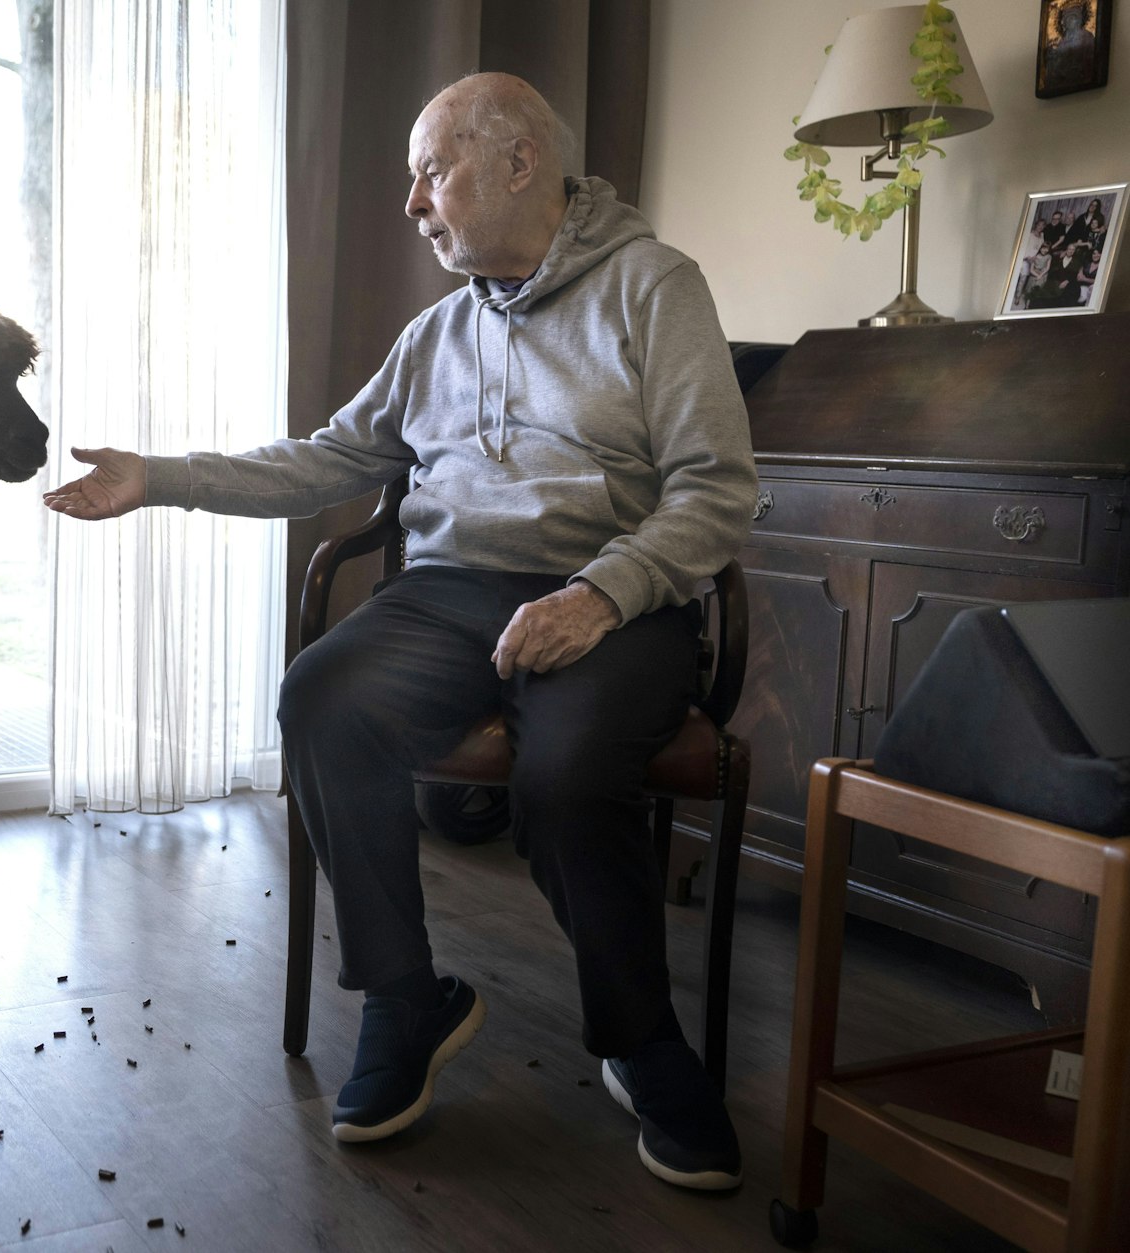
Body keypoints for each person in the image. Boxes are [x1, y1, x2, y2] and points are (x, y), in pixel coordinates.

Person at [44, 73, 755, 1190]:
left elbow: (715, 490)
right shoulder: (434, 334)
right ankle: (403, 995)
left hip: (612, 592)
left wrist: (601, 593)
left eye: (430, 172)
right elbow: (322, 461)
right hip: (452, 591)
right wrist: (162, 476)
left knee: (566, 776)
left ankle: (639, 1038)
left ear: (519, 162)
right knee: (320, 696)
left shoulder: (653, 289)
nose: (412, 204)